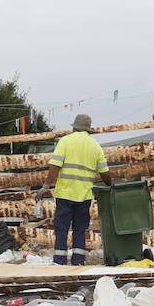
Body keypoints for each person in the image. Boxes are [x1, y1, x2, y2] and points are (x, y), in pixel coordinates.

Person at [41, 114, 111, 266]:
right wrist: (109, 184)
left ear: (74, 127)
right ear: (88, 130)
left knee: (62, 229)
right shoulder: (95, 146)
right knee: (80, 230)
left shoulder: (65, 141)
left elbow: (55, 166)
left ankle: (59, 262)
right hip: (84, 196)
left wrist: (46, 185)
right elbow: (104, 172)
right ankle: (78, 261)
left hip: (65, 194)